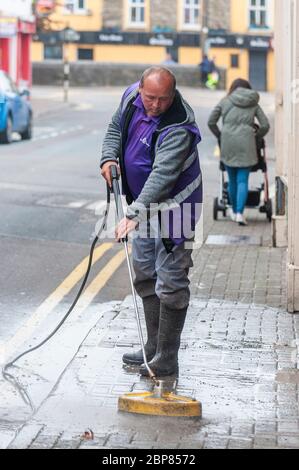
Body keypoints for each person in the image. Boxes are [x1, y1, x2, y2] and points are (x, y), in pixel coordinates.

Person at [100, 67, 202, 377]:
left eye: (163, 99)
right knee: (144, 273)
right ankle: (152, 346)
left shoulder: (179, 125)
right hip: (143, 205)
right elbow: (116, 127)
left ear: (174, 95)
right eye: (150, 97)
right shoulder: (132, 97)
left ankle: (167, 356)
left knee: (171, 280)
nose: (155, 105)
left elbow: (163, 175)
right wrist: (108, 157)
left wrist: (132, 215)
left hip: (176, 208)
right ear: (140, 89)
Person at [208, 78, 270, 225]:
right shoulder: (253, 102)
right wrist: (256, 137)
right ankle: (240, 214)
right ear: (248, 89)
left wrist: (220, 136)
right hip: (247, 144)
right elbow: (265, 125)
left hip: (228, 144)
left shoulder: (225, 101)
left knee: (232, 180)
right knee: (243, 180)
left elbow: (211, 121)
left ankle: (233, 210)